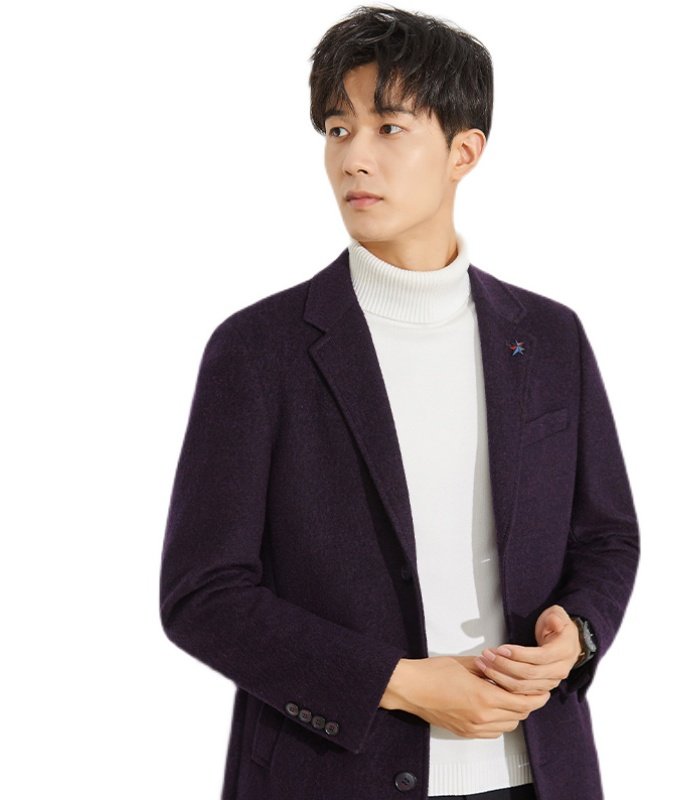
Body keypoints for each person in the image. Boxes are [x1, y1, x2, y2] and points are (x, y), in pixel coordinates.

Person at [159, 5, 640, 800]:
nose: (354, 158)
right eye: (338, 129)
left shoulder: (550, 337)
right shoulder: (258, 350)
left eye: (388, 128)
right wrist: (398, 682)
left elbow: (606, 534)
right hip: (333, 777)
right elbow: (203, 595)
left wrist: (578, 631)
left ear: (463, 152)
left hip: (539, 773)